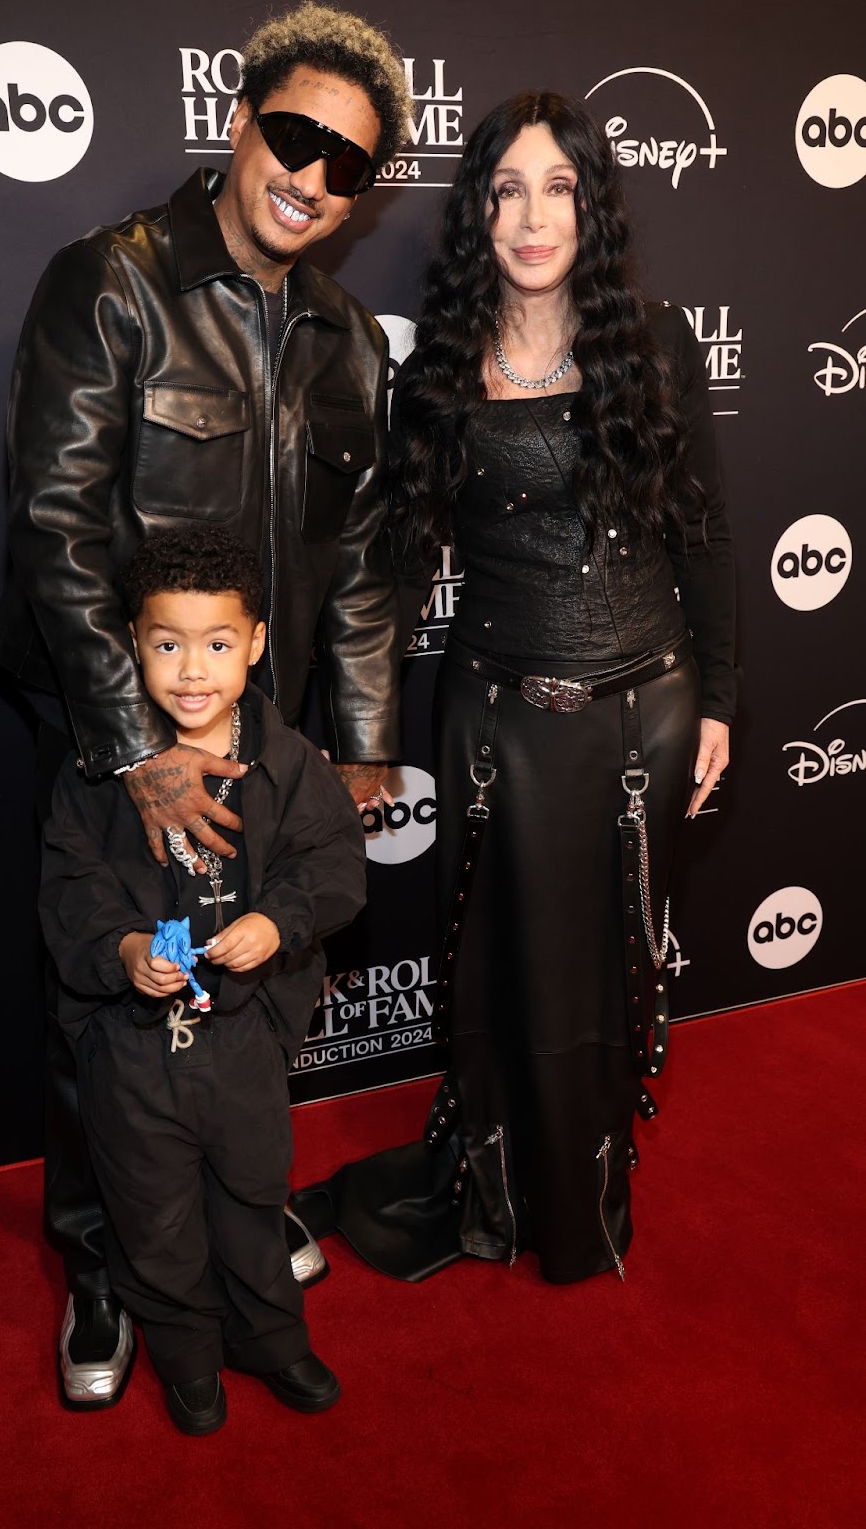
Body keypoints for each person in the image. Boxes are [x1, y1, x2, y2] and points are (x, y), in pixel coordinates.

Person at [0, 0, 414, 1407]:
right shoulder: (111, 284)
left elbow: (360, 566)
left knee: (245, 985)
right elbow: (53, 528)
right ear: (236, 122)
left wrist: (352, 741)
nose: (311, 176)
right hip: (116, 727)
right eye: (294, 136)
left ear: (364, 196)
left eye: (348, 166)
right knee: (106, 1010)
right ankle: (106, 1261)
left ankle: (227, 1218)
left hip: (261, 743)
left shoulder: (351, 340)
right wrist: (129, 749)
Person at [300, 91, 737, 1285]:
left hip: (643, 710)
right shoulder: (437, 369)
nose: (532, 216)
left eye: (558, 188)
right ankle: (497, 1188)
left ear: (590, 207)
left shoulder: (652, 341)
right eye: (506, 191)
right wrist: (359, 726)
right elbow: (386, 566)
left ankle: (580, 1198)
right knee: (496, 967)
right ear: (477, 214)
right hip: (494, 718)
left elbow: (702, 532)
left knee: (606, 967)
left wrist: (722, 700)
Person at [40, 526, 367, 1434]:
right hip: (131, 1055)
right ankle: (185, 1354)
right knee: (155, 1220)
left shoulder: (289, 761)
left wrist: (277, 921)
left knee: (255, 1199)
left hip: (245, 1043)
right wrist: (125, 952)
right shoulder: (94, 776)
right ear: (131, 643)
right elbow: (70, 892)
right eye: (167, 644)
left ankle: (269, 1336)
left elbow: (335, 864)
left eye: (218, 644)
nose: (192, 671)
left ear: (257, 642)